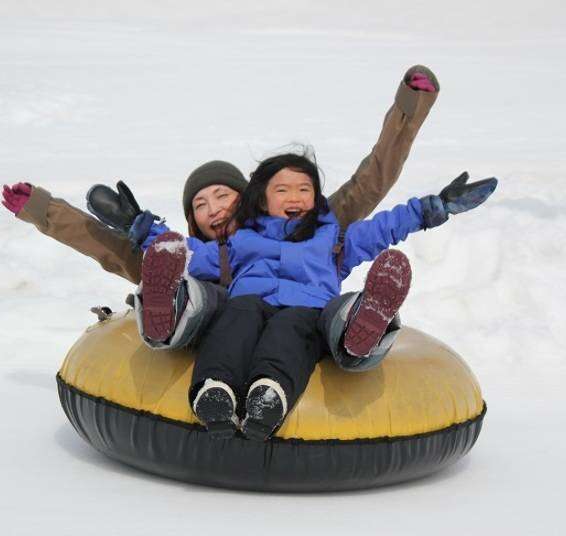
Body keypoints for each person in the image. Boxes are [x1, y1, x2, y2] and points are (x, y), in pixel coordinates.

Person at [133, 150, 497, 441]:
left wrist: (433, 208)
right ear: (260, 199)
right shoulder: (240, 242)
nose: (295, 196)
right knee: (237, 314)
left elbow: (383, 227)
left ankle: (347, 336)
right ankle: (215, 390)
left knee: (300, 323)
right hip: (249, 304)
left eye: (304, 189)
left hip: (309, 312)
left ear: (316, 197)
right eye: (282, 190)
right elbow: (188, 251)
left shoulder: (334, 240)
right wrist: (143, 230)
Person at [78, 66, 440, 348]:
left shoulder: (311, 223)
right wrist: (44, 209)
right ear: (192, 219)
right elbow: (134, 250)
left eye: (223, 197)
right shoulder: (205, 254)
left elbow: (371, 181)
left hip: (303, 321)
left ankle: (363, 324)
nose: (215, 210)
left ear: (252, 199)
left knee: (334, 314)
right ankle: (169, 310)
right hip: (232, 328)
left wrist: (410, 106)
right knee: (204, 297)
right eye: (201, 205)